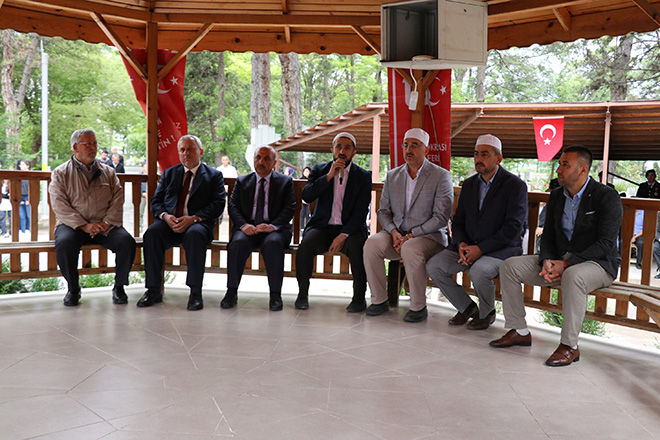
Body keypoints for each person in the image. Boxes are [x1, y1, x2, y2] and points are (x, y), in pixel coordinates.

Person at [490, 145, 622, 367]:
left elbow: (606, 244)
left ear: (583, 169)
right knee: (510, 266)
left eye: (565, 165)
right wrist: (547, 261)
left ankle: (570, 346)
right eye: (559, 164)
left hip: (598, 264)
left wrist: (567, 264)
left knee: (573, 275)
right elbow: (548, 235)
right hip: (561, 261)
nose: (559, 170)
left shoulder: (606, 196)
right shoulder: (557, 195)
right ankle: (519, 330)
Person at [426, 134, 528, 330]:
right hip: (468, 246)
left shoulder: (515, 185)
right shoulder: (470, 184)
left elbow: (513, 228)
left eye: (485, 154)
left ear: (499, 158)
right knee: (435, 266)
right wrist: (462, 244)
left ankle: (487, 312)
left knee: (479, 271)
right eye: (476, 154)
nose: (478, 159)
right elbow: (459, 220)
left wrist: (480, 249)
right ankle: (466, 307)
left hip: (501, 249)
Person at [364, 128, 454, 323]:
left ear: (426, 150)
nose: (408, 150)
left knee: (411, 247)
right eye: (406, 145)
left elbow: (441, 217)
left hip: (428, 237)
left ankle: (418, 307)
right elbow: (383, 211)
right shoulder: (393, 176)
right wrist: (393, 231)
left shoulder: (441, 176)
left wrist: (411, 235)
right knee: (372, 244)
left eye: (414, 145)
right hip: (397, 235)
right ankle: (379, 300)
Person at [48, 129, 137, 306]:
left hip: (105, 225)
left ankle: (119, 287)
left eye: (94, 143)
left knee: (126, 242)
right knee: (64, 243)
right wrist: (83, 225)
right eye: (87, 144)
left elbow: (118, 198)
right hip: (73, 225)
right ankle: (73, 289)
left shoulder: (108, 172)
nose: (93, 147)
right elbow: (59, 204)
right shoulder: (61, 173)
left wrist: (107, 223)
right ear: (75, 147)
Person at [139, 135, 225, 310]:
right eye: (182, 150)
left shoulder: (213, 175)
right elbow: (156, 201)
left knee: (195, 235)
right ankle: (153, 290)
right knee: (151, 234)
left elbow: (218, 204)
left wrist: (193, 218)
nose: (186, 153)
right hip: (170, 223)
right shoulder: (170, 173)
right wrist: (165, 216)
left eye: (191, 149)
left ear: (200, 152)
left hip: (197, 224)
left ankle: (195, 292)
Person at [294, 132, 371, 312]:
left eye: (347, 148)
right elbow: (307, 195)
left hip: (350, 230)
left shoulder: (362, 176)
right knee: (305, 247)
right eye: (339, 147)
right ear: (332, 150)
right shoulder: (320, 170)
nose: (342, 151)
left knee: (358, 248)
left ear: (354, 153)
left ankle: (359, 299)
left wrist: (343, 235)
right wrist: (329, 176)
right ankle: (302, 295)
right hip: (322, 227)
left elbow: (361, 211)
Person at [221, 146, 296, 311]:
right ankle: (231, 291)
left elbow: (289, 208)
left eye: (266, 158)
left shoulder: (284, 182)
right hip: (249, 228)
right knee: (237, 244)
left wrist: (272, 226)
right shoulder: (242, 181)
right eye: (258, 158)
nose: (261, 162)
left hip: (274, 229)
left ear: (274, 163)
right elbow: (233, 206)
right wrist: (244, 225)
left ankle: (275, 295)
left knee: (273, 244)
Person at [17, 158, 31, 235]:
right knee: (21, 215)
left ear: (27, 166)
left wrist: (29, 199)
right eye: (20, 165)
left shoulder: (30, 175)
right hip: (20, 196)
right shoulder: (18, 175)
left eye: (23, 165)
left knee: (28, 215)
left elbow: (32, 188)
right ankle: (23, 231)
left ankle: (28, 229)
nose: (21, 166)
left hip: (28, 196)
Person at [0, 163, 11, 237]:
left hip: (10, 201)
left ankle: (11, 231)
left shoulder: (11, 183)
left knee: (11, 217)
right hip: (2, 201)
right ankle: (3, 231)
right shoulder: (1, 183)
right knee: (2, 217)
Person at [139, 160, 148, 233]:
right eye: (145, 167)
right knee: (140, 212)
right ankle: (140, 227)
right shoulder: (139, 176)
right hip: (142, 196)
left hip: (151, 196)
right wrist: (143, 193)